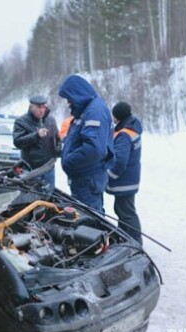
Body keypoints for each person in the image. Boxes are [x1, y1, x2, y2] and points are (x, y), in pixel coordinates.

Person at [58, 75, 114, 214]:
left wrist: (69, 161)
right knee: (84, 220)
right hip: (83, 180)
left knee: (89, 222)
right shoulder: (85, 111)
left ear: (76, 94)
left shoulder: (95, 111)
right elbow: (76, 140)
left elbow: (94, 149)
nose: (68, 103)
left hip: (88, 181)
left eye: (69, 99)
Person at [106, 101, 143, 245]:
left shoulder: (124, 135)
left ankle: (135, 243)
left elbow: (120, 161)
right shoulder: (132, 129)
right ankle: (125, 239)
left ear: (118, 117)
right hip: (130, 179)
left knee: (126, 213)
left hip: (124, 181)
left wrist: (109, 176)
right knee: (123, 210)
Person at [13, 95, 60, 188]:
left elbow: (58, 139)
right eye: (39, 107)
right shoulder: (21, 121)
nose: (42, 110)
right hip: (31, 170)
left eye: (43, 107)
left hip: (48, 169)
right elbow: (17, 142)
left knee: (49, 199)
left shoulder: (51, 120)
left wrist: (57, 151)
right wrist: (36, 135)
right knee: (32, 200)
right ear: (31, 106)